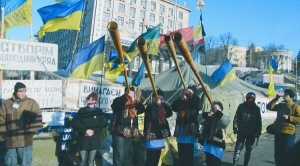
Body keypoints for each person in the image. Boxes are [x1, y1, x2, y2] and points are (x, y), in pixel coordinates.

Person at [0, 82, 42, 166]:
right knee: (10, 164)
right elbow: (1, 118)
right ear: (15, 92)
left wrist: (29, 133)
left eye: (25, 91)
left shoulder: (31, 103)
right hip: (10, 142)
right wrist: (4, 133)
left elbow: (38, 119)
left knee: (25, 164)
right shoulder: (7, 104)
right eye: (21, 91)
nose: (23, 93)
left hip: (25, 142)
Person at [110, 86, 145, 166]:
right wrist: (126, 97)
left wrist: (137, 101)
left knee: (124, 155)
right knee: (119, 155)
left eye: (133, 94)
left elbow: (142, 109)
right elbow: (114, 105)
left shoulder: (134, 104)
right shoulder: (120, 101)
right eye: (129, 93)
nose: (131, 95)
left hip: (130, 132)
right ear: (125, 93)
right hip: (120, 132)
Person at [266, 89, 300, 166]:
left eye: (286, 94)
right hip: (278, 132)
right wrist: (276, 98)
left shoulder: (295, 107)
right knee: (278, 152)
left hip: (289, 133)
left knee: (288, 153)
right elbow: (269, 107)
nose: (284, 96)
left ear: (291, 97)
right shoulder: (281, 105)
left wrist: (289, 117)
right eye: (284, 94)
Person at [171, 87, 201, 166]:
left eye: (189, 92)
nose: (187, 94)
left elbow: (197, 105)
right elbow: (173, 107)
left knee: (189, 154)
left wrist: (191, 95)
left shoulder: (194, 101)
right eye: (186, 92)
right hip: (180, 130)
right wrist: (181, 97)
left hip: (190, 131)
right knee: (181, 152)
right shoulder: (181, 102)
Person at [75, 92, 105, 166]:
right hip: (83, 138)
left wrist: (93, 131)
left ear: (95, 100)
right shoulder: (81, 111)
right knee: (82, 160)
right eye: (88, 98)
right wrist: (85, 131)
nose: (90, 100)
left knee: (91, 161)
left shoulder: (99, 111)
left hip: (94, 139)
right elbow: (77, 123)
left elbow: (101, 124)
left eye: (92, 99)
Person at [144, 89, 173, 166]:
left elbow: (170, 113)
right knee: (151, 157)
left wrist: (163, 104)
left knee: (157, 156)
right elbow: (153, 116)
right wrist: (157, 105)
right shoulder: (150, 106)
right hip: (152, 134)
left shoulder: (162, 106)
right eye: (157, 98)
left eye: (160, 98)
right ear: (153, 98)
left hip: (160, 134)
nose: (159, 100)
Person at [232, 92, 262, 166]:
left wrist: (258, 132)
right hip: (241, 131)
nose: (249, 100)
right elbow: (236, 118)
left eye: (251, 99)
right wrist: (235, 127)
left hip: (251, 132)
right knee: (238, 148)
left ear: (254, 99)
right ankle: (235, 163)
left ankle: (246, 164)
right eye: (248, 98)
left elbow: (259, 121)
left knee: (248, 149)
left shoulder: (256, 109)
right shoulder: (241, 106)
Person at [201, 101, 230, 166]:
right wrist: (205, 114)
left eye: (216, 108)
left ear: (221, 109)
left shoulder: (222, 118)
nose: (214, 109)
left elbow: (225, 122)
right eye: (213, 107)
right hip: (208, 144)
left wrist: (217, 112)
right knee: (209, 162)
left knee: (215, 163)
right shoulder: (209, 117)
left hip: (217, 144)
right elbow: (198, 119)